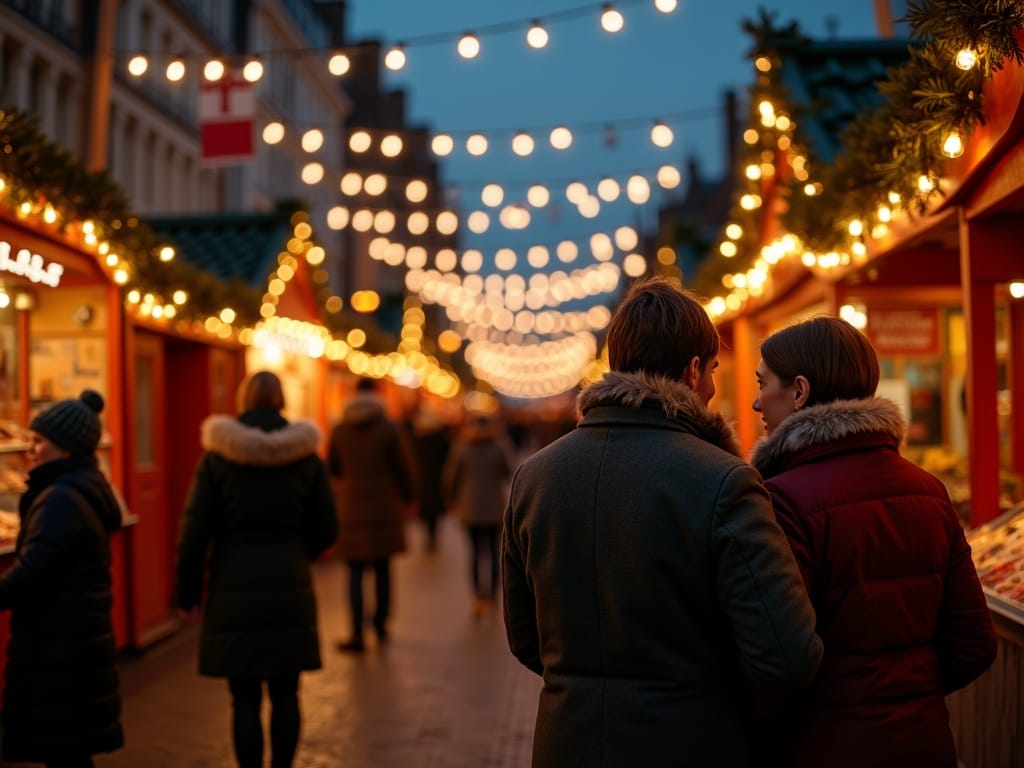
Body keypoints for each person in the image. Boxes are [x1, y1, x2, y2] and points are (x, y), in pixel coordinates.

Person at [502, 277, 823, 768]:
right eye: (714, 368)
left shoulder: (535, 477)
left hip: (567, 743)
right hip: (689, 741)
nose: (714, 386)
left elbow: (525, 639)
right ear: (693, 371)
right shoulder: (724, 480)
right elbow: (786, 653)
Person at [750, 316, 997, 768]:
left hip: (823, 746)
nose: (754, 402)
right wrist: (906, 694)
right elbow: (974, 643)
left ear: (800, 391)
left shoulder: (782, 498)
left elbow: (779, 653)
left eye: (762, 383)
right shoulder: (928, 489)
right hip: (924, 742)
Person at [175, 371, 338, 768]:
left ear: (243, 399)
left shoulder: (217, 458)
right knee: (286, 693)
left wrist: (188, 593)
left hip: (233, 586)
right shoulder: (306, 458)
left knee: (243, 698)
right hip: (290, 586)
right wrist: (298, 554)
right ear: (281, 399)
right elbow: (327, 527)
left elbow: (194, 532)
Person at [0, 390, 123, 767]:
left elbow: (31, 573)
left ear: (66, 450)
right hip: (75, 641)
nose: (30, 449)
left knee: (64, 750)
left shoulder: (60, 499)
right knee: (70, 750)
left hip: (59, 646)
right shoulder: (78, 487)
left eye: (39, 442)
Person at [328, 376, 417, 652]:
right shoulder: (388, 429)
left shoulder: (340, 429)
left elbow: (334, 467)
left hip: (352, 507)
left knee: (354, 573)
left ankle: (356, 632)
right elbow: (404, 468)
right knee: (382, 569)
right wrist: (409, 495)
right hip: (383, 508)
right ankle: (380, 625)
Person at [442, 412, 514, 617]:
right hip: (494, 506)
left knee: (474, 553)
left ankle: (477, 597)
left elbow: (451, 476)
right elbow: (508, 471)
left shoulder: (462, 446)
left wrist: (452, 499)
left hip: (470, 506)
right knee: (493, 552)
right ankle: (491, 597)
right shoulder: (499, 444)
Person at [405, 402, 451, 553]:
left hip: (422, 480)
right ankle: (432, 536)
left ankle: (429, 537)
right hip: (437, 480)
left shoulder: (415, 440)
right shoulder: (441, 439)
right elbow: (448, 459)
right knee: (434, 512)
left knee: (425, 510)